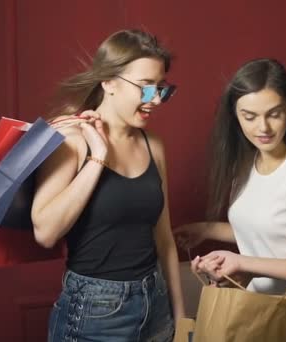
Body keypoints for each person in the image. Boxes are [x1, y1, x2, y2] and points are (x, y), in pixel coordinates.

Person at [31, 29, 184, 342]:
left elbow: (164, 237)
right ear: (109, 81)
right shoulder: (71, 141)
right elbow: (45, 232)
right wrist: (98, 157)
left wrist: (181, 315)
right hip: (95, 312)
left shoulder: (153, 145)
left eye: (161, 88)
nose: (155, 99)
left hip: (155, 303)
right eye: (145, 87)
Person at [175, 58, 286, 295]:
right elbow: (272, 231)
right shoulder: (247, 166)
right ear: (235, 115)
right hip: (260, 309)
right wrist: (205, 230)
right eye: (249, 117)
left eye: (274, 114)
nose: (263, 128)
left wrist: (245, 264)